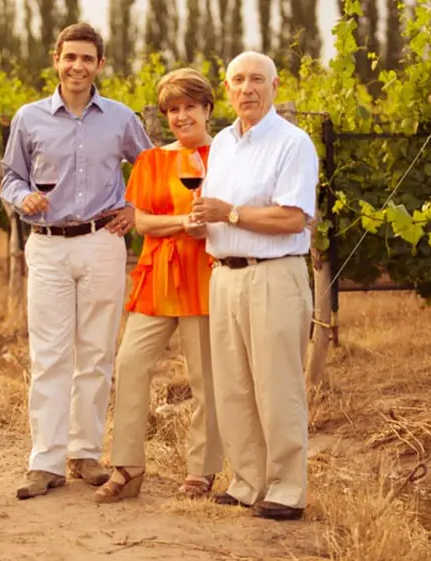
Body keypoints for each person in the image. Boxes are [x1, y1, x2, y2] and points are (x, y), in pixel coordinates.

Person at [1, 22, 153, 500]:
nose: (78, 66)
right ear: (56, 59)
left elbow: (150, 168)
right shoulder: (29, 118)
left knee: (96, 353)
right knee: (49, 355)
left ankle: (85, 453)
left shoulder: (121, 118)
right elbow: (10, 177)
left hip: (102, 242)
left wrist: (133, 208)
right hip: (46, 245)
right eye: (70, 57)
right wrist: (23, 198)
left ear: (100, 65)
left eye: (87, 58)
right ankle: (45, 461)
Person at [191, 51, 317, 521]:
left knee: (277, 386)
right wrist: (205, 222)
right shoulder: (222, 142)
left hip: (274, 276)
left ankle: (287, 489)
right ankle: (246, 481)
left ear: (275, 86)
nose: (247, 88)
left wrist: (231, 214)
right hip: (223, 275)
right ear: (226, 89)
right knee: (234, 386)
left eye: (257, 80)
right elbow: (218, 208)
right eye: (238, 80)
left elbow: (292, 217)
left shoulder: (293, 143)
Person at [94, 69, 223, 503]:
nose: (181, 116)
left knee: (205, 378)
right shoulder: (151, 160)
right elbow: (139, 220)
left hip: (204, 276)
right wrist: (182, 223)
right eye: (173, 110)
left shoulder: (225, 156)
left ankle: (201, 471)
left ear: (207, 109)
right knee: (130, 365)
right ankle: (128, 468)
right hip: (157, 274)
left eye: (190, 107)